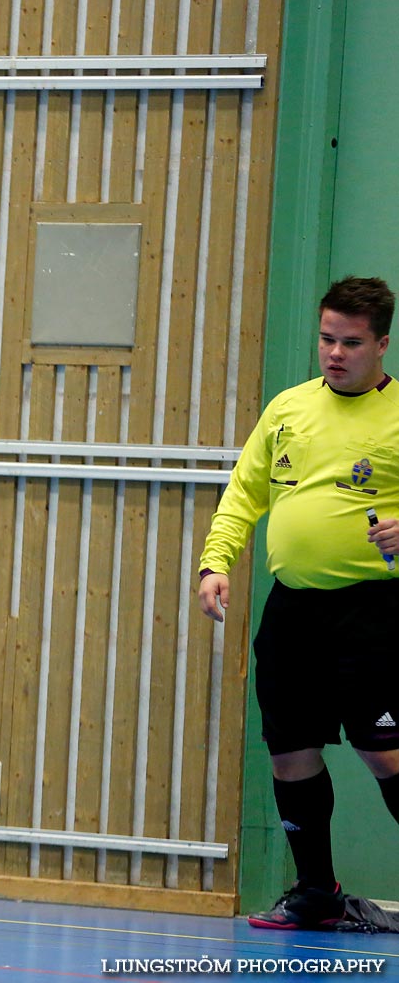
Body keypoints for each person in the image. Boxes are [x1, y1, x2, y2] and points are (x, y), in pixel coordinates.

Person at [198, 275, 399, 930]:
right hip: (293, 612)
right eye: (326, 338)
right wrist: (216, 563)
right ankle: (317, 892)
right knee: (290, 751)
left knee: (383, 752)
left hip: (373, 612)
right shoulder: (288, 408)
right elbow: (244, 492)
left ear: (382, 346)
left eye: (351, 342)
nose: (335, 353)